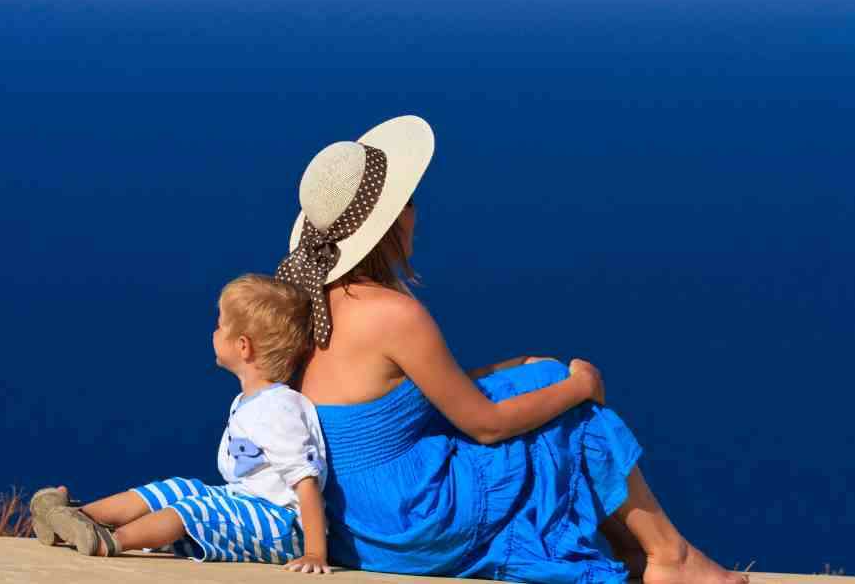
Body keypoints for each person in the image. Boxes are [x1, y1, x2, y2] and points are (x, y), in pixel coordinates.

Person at [275, 115, 748, 584]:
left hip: (355, 524)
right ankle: (669, 555)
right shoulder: (393, 313)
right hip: (412, 520)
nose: (416, 212)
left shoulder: (314, 303)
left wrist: (515, 366)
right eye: (409, 201)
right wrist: (580, 386)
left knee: (534, 376)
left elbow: (408, 395)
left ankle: (639, 553)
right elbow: (485, 426)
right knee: (561, 394)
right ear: (392, 221)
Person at [29, 274, 333, 574]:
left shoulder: (279, 408)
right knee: (179, 488)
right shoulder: (248, 402)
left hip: (281, 527)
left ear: (243, 346)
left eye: (220, 325)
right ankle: (77, 517)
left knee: (196, 510)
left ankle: (109, 540)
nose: (214, 332)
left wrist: (315, 552)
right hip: (247, 506)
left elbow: (305, 482)